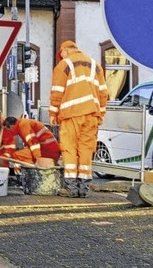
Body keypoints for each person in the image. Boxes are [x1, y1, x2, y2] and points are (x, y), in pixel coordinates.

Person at [49, 40, 108, 198]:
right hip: (91, 115)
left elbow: (57, 92)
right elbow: (103, 93)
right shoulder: (95, 65)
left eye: (61, 54)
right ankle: (83, 188)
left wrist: (53, 114)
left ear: (64, 51)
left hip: (71, 114)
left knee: (69, 148)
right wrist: (101, 114)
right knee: (86, 149)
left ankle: (72, 188)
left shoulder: (63, 65)